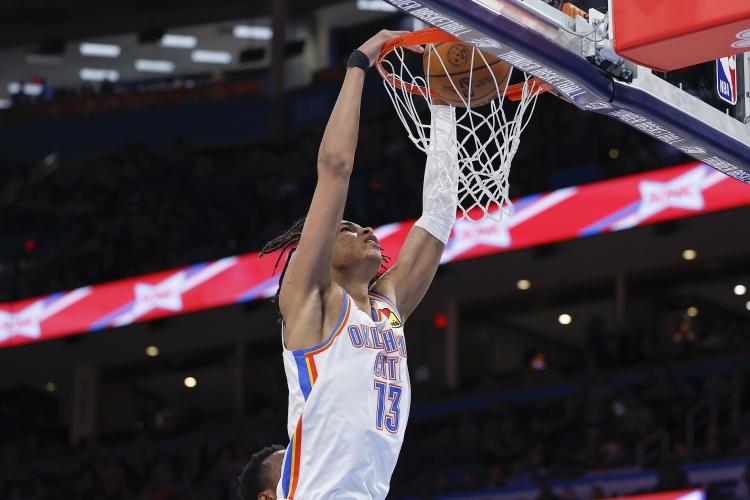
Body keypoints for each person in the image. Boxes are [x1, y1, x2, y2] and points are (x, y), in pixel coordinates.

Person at [259, 29, 458, 499]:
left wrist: (444, 105)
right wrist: (358, 64)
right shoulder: (309, 303)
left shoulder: (388, 306)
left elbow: (439, 213)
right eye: (346, 229)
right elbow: (334, 169)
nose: (366, 229)